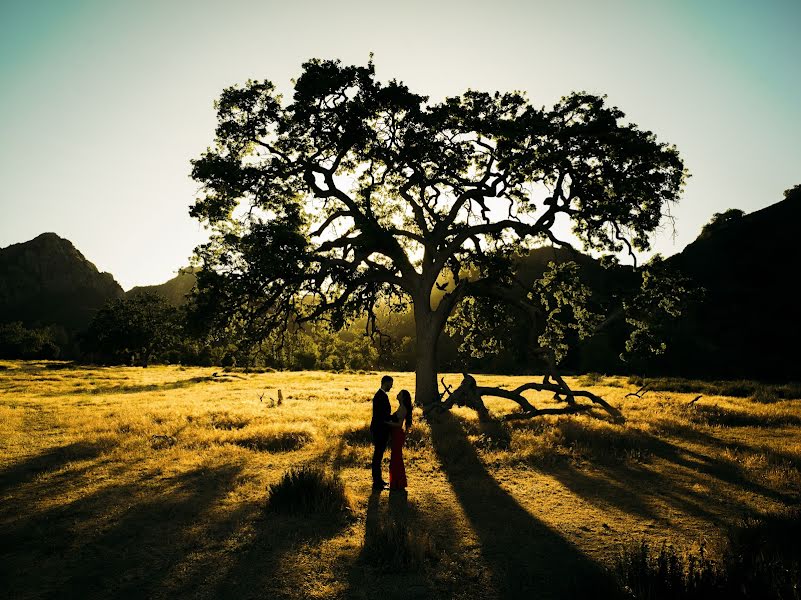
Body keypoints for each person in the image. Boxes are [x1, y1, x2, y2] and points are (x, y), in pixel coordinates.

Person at [370, 375, 393, 491]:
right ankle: (377, 482)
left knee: (378, 455)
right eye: (390, 384)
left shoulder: (381, 395)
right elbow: (382, 416)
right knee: (377, 456)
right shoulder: (380, 396)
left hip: (379, 429)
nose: (391, 387)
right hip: (380, 430)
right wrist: (393, 419)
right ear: (385, 383)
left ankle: (378, 480)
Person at [386, 389, 413, 491]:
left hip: (397, 434)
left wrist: (386, 423)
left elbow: (399, 424)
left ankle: (397, 483)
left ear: (403, 397)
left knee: (396, 459)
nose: (397, 394)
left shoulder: (403, 408)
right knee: (396, 458)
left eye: (400, 394)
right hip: (395, 434)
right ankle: (396, 483)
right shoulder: (401, 407)